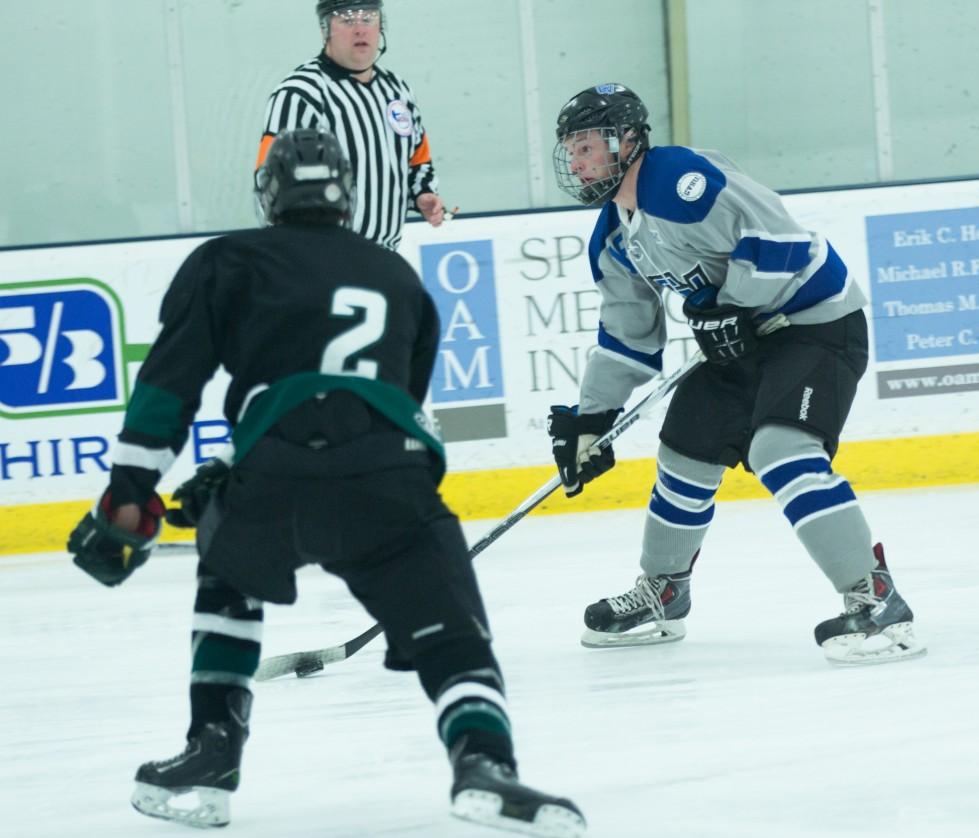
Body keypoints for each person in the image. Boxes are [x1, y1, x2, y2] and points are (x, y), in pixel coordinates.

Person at [67, 129, 585, 837]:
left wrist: (133, 487)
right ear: (346, 195)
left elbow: (168, 386)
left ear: (269, 192)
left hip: (273, 479)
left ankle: (213, 751)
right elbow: (392, 399)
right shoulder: (396, 275)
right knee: (451, 633)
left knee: (227, 574)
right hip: (390, 481)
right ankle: (486, 766)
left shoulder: (228, 260)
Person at [546, 83, 926, 666]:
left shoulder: (678, 179)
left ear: (627, 140)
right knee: (683, 452)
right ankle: (664, 592)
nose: (576, 160)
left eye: (586, 145)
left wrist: (734, 301)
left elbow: (780, 237)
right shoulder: (613, 235)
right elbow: (627, 334)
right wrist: (591, 418)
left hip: (815, 324)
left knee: (782, 449)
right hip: (741, 343)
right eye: (570, 149)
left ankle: (875, 597)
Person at [257, 0, 445, 251]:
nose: (360, 28)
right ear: (325, 29)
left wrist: (422, 194)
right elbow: (268, 182)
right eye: (347, 19)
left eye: (368, 18)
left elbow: (418, 159)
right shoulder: (300, 95)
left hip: (384, 257)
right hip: (320, 261)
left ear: (381, 27)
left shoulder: (398, 90)